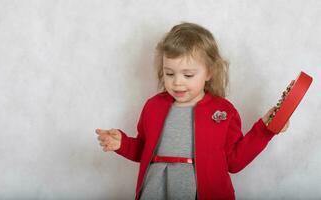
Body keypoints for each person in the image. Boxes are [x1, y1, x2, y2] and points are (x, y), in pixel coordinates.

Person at [95, 22, 289, 200]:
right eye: (169, 73)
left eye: (188, 75)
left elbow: (235, 162)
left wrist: (265, 130)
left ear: (209, 72)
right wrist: (122, 144)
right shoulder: (153, 106)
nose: (177, 82)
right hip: (155, 189)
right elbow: (145, 150)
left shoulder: (223, 111)